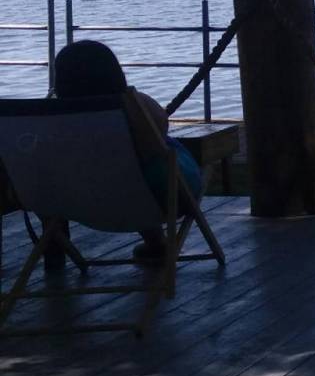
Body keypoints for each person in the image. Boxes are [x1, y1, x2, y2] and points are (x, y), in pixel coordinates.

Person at [51, 40, 203, 266]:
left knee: (119, 170)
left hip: (82, 204)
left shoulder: (53, 118)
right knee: (154, 159)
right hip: (162, 198)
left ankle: (154, 242)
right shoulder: (135, 104)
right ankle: (156, 241)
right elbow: (161, 125)